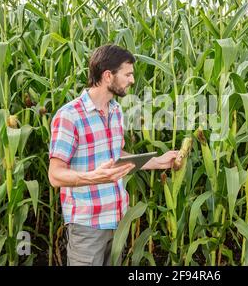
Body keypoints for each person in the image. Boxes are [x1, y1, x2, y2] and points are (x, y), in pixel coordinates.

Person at [48, 44, 178, 266]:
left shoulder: (116, 111)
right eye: (127, 74)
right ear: (108, 76)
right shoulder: (70, 116)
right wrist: (94, 177)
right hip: (87, 225)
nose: (132, 80)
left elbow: (116, 156)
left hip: (117, 221)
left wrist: (158, 162)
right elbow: (55, 175)